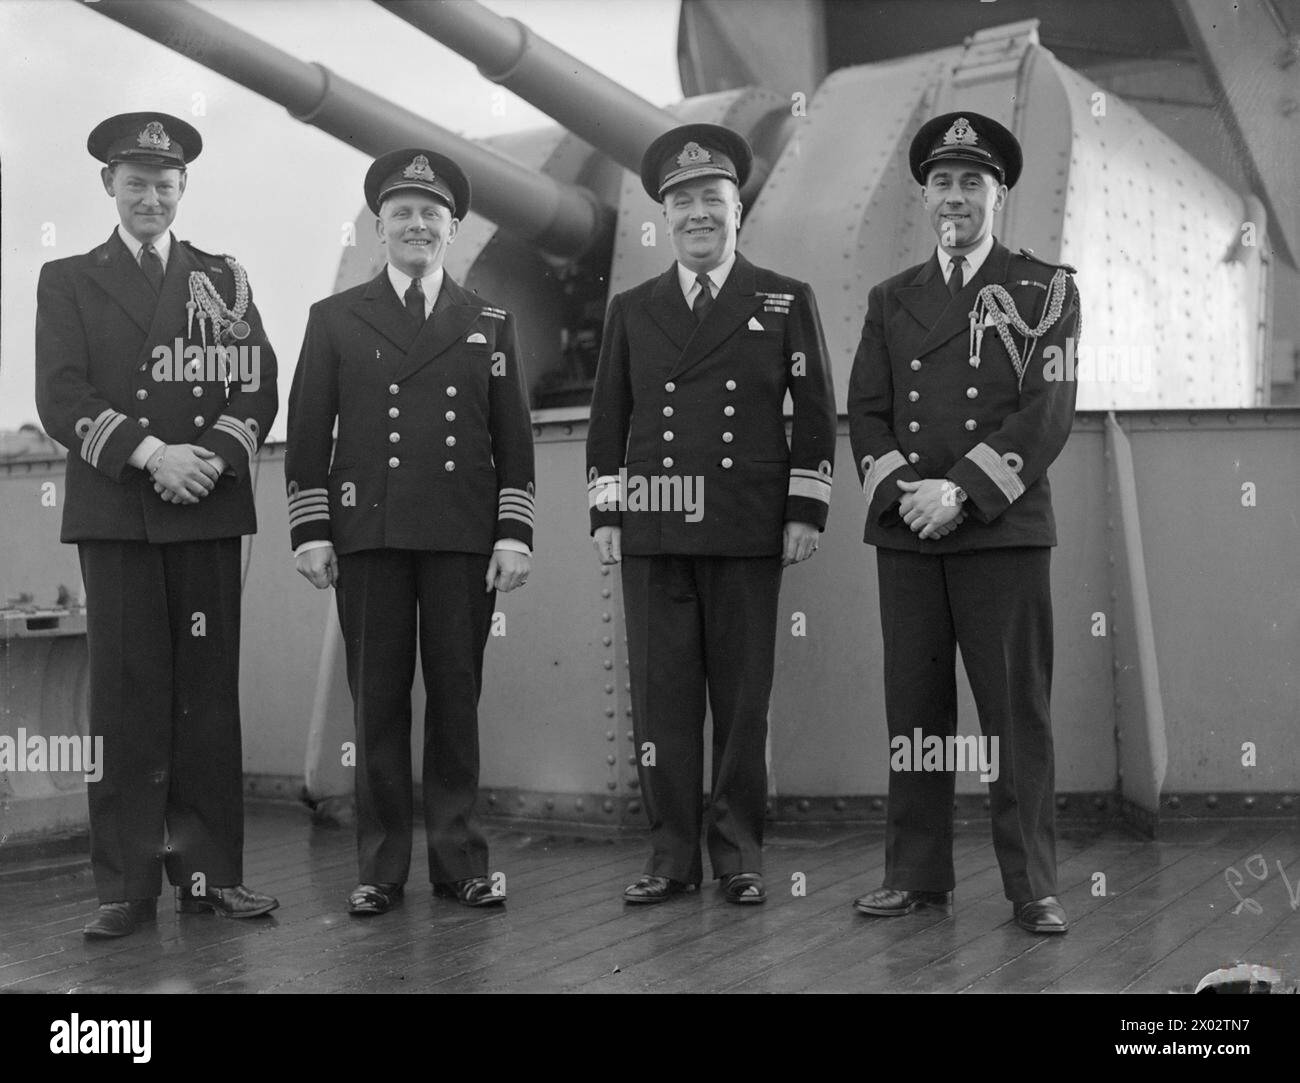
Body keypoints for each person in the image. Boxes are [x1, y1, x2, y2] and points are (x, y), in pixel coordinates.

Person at [35, 112, 280, 939]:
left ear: (183, 190)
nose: (149, 196)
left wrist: (204, 456)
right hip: (120, 515)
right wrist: (152, 455)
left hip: (205, 507)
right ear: (109, 185)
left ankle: (211, 877)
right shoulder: (65, 279)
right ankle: (127, 886)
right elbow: (61, 396)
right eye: (134, 182)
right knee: (128, 699)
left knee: (207, 698)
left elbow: (257, 384)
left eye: (163, 184)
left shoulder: (225, 276)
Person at [586, 124, 837, 905]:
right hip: (656, 531)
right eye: (683, 201)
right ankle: (670, 857)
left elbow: (814, 413)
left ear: (737, 212)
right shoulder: (633, 308)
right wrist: (607, 513)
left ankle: (737, 854)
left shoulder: (783, 298)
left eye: (713, 200)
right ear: (665, 215)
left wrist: (804, 511)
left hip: (744, 526)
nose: (699, 213)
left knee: (740, 697)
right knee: (662, 700)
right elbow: (607, 421)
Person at [846, 112, 1080, 934]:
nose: (956, 197)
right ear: (925, 197)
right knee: (914, 711)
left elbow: (1047, 412)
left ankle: (1033, 885)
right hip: (909, 531)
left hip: (1001, 529)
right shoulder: (890, 299)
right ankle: (916, 873)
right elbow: (866, 414)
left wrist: (961, 492)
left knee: (1016, 713)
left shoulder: (1045, 289)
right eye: (942, 183)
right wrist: (910, 492)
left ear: (998, 195)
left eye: (971, 183)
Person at [285, 148, 535, 914]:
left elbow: (513, 439)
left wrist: (513, 532)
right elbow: (306, 434)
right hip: (371, 536)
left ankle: (461, 862)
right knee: (380, 707)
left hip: (462, 540)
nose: (417, 225)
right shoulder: (334, 319)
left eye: (432, 214)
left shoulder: (489, 322)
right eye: (402, 213)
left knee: (457, 705)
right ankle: (380, 868)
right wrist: (312, 530)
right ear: (380, 227)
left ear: (452, 227)